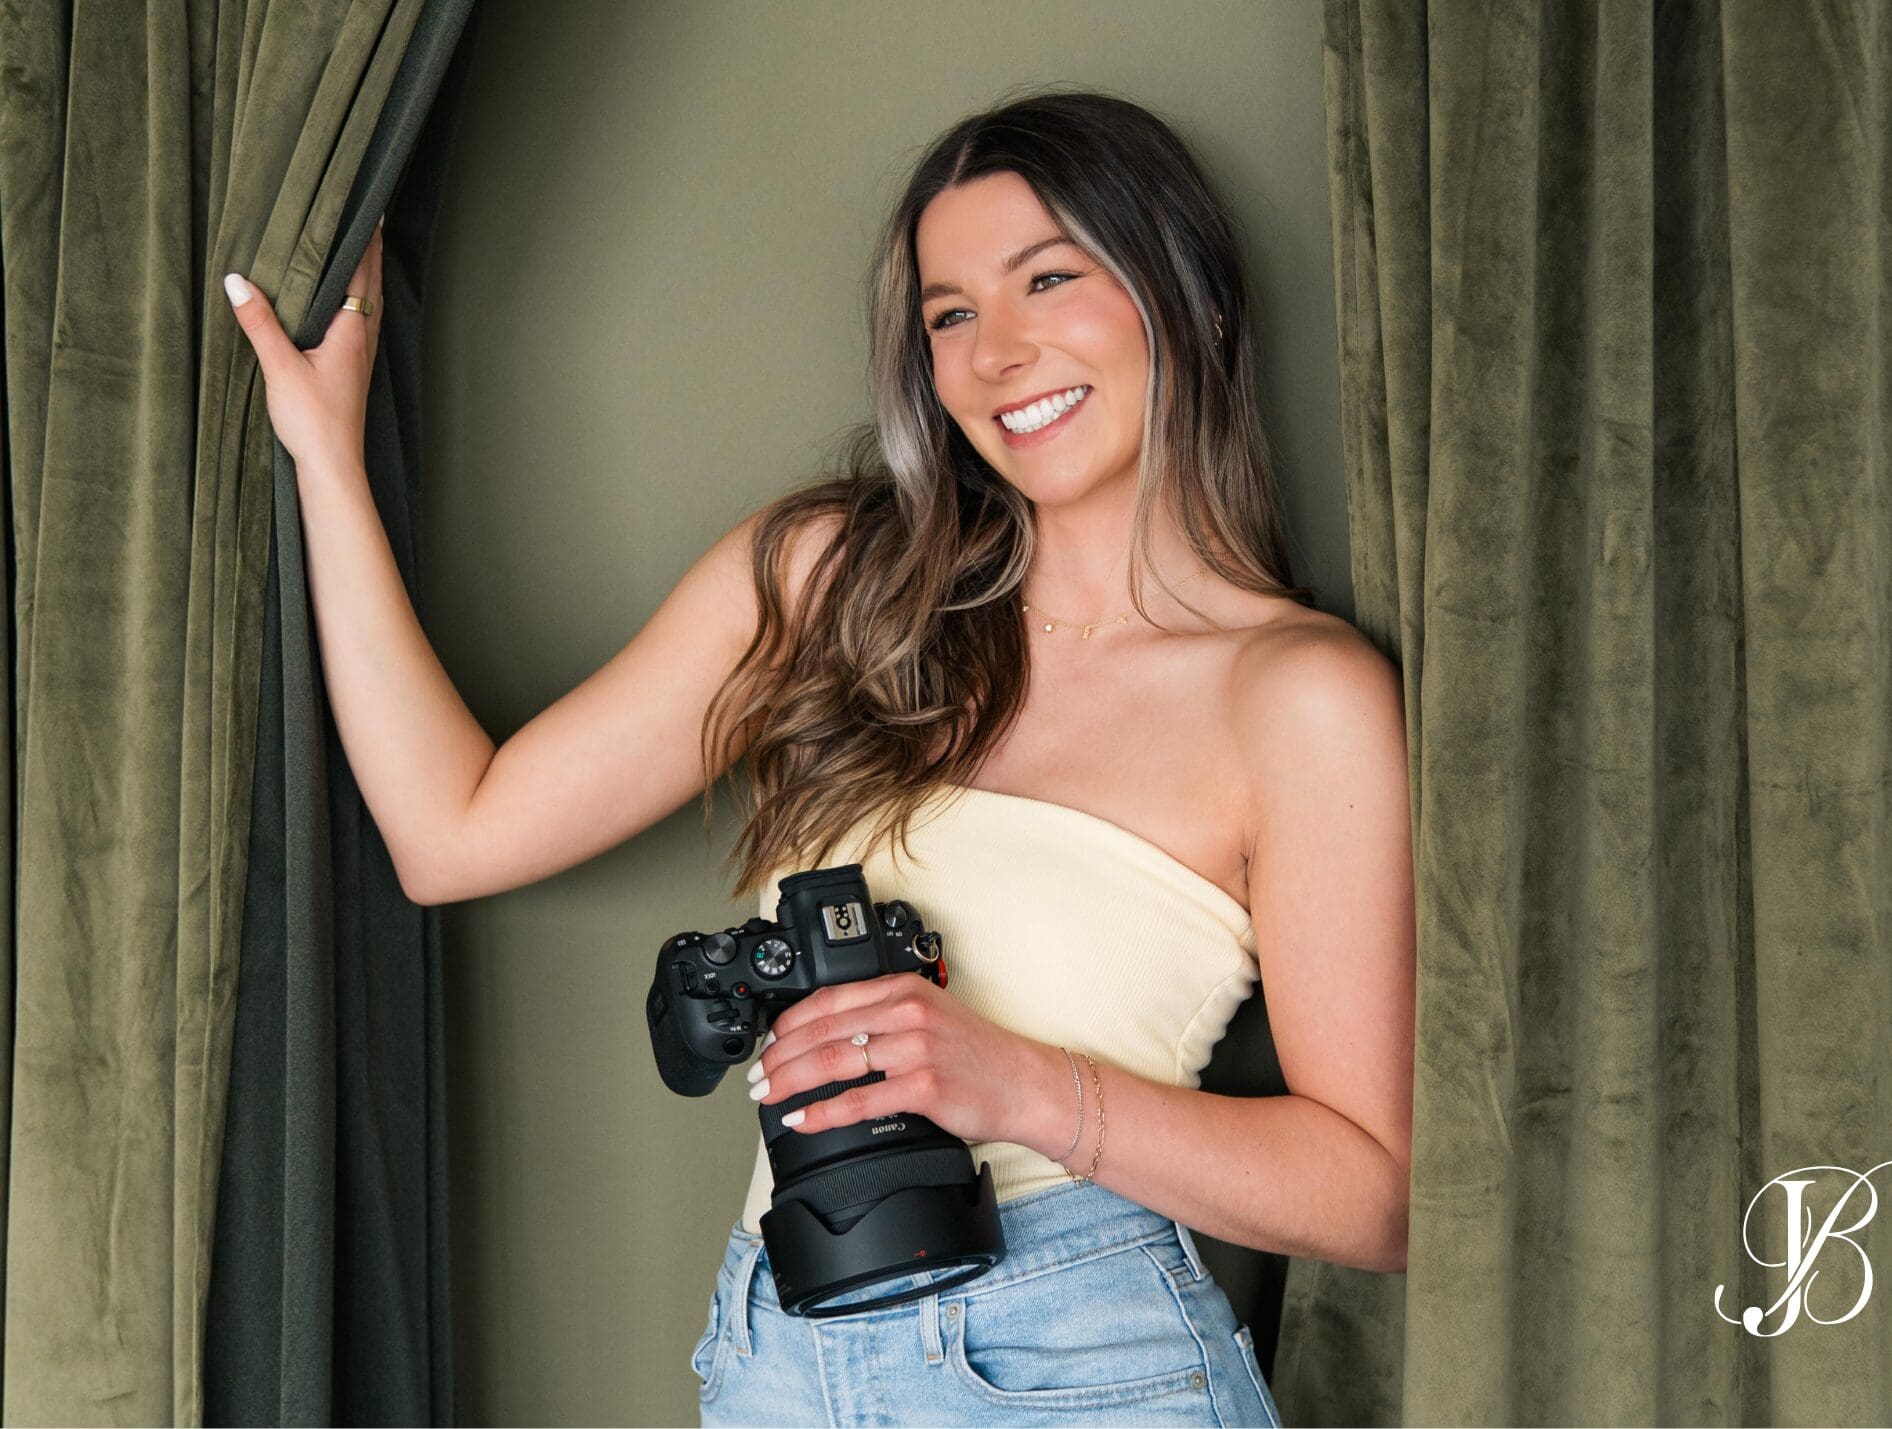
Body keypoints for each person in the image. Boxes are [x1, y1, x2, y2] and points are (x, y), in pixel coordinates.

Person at [225, 84, 1414, 1429]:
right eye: (950, 313)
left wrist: (1016, 1083)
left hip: (1083, 1361)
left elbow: (1373, 1193)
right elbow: (451, 830)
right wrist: (324, 450)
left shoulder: (1298, 696)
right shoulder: (836, 583)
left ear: (1189, 296)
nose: (998, 353)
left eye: (1049, 280)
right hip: (782, 1343)